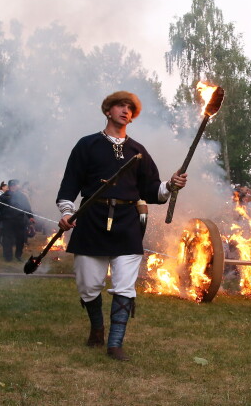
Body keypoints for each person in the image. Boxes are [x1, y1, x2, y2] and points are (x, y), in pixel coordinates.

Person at [56, 91, 188, 361]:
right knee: (88, 285)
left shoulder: (138, 151)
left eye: (130, 108)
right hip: (92, 220)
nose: (125, 110)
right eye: (120, 106)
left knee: (125, 286)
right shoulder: (87, 145)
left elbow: (152, 189)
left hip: (127, 223)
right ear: (108, 110)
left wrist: (170, 185)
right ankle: (97, 329)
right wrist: (68, 212)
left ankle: (115, 344)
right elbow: (69, 184)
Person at [0, 179, 34, 261]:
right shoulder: (3, 197)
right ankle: (8, 257)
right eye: (12, 186)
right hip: (7, 221)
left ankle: (18, 255)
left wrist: (30, 216)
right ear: (9, 187)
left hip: (19, 220)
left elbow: (27, 207)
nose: (14, 187)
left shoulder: (22, 196)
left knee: (20, 238)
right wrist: (0, 218)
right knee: (7, 239)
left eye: (15, 185)